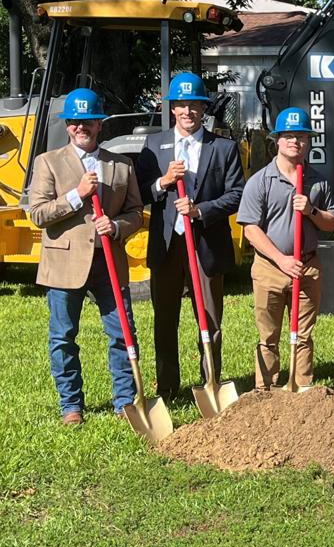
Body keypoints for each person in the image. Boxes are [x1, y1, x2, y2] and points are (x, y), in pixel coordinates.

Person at [27, 88, 144, 424]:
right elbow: (38, 214)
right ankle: (71, 405)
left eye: (89, 122)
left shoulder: (121, 165)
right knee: (63, 336)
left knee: (122, 333)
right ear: (68, 126)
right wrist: (77, 196)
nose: (82, 127)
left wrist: (118, 226)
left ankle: (125, 401)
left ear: (99, 125)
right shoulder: (48, 162)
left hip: (109, 261)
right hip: (64, 263)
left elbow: (136, 211)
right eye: (76, 122)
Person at [136, 72, 245, 402]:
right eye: (181, 104)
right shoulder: (154, 146)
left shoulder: (223, 147)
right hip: (167, 245)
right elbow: (140, 192)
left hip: (205, 245)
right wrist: (163, 182)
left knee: (209, 320)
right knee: (164, 319)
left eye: (194, 104)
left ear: (203, 108)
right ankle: (168, 387)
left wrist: (201, 210)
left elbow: (238, 193)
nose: (188, 111)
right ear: (172, 109)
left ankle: (210, 380)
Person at [236, 107, 334, 391]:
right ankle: (265, 391)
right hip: (271, 267)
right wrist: (281, 260)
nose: (296, 142)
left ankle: (301, 390)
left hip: (307, 265)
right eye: (289, 136)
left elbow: (331, 223)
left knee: (303, 334)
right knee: (268, 335)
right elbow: (251, 229)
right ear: (277, 141)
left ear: (308, 142)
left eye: (302, 137)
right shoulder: (260, 181)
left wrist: (311, 211)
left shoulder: (318, 181)